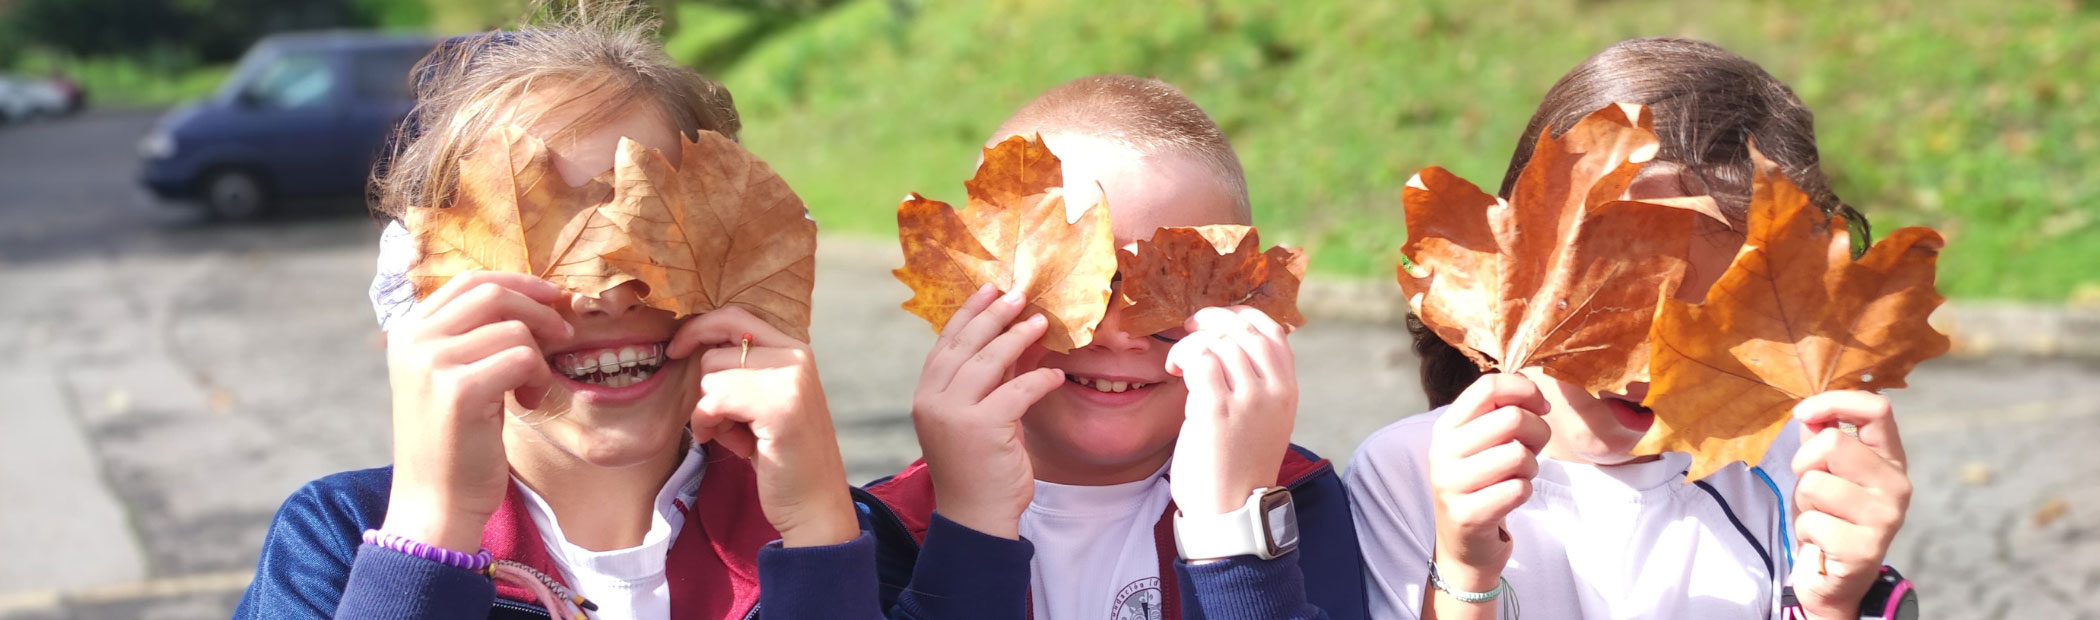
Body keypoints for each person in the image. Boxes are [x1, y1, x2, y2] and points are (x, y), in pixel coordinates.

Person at [233, 8, 878, 619]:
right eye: (539, 247)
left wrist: (819, 544)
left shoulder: (841, 536)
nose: (604, 294)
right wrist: (432, 531)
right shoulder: (338, 540)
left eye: (656, 235)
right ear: (425, 285)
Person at [1346, 37, 1913, 619]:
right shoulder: (1410, 474)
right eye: (1623, 304)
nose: (1649, 367)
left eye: (1714, 326)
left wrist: (1833, 604)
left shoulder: (1790, 473)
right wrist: (1466, 572)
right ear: (1520, 271)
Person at [865, 74, 1368, 620]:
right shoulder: (885, 527)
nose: (1118, 333)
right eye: (1074, 287)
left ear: (1249, 301)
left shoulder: (1296, 501)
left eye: (1173, 288)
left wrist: (1233, 533)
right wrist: (970, 527)